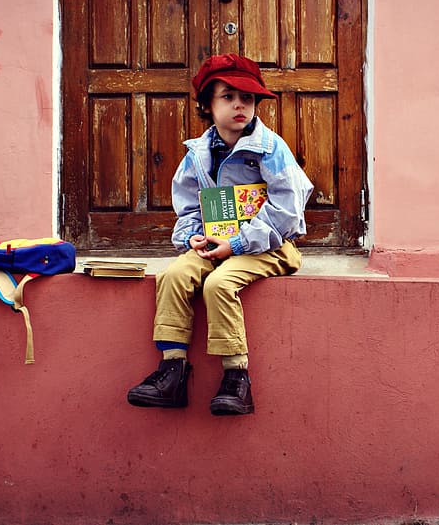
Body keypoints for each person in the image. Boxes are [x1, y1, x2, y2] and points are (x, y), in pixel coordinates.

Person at [127, 54, 313, 416]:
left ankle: (236, 377)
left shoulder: (270, 149)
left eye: (247, 97)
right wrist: (192, 237)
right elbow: (188, 204)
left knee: (219, 285)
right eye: (227, 96)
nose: (239, 105)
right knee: (173, 275)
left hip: (271, 246)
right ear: (207, 105)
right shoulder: (197, 154)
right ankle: (172, 370)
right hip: (216, 244)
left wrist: (239, 244)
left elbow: (288, 211)